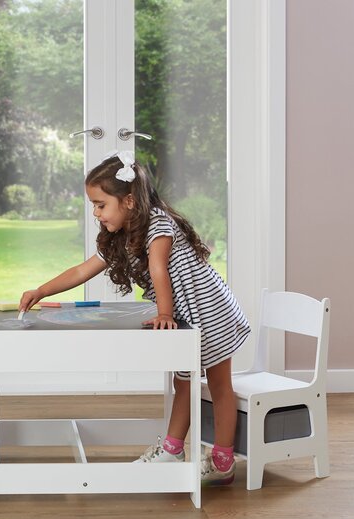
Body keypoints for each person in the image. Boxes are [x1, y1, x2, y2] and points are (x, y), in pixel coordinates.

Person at [19, 150, 250, 485]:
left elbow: (159, 268)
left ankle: (222, 461)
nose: (97, 214)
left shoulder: (158, 223)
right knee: (182, 382)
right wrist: (41, 290)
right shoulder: (121, 235)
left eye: (101, 205)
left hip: (209, 311)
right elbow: (84, 269)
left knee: (218, 386)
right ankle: (172, 451)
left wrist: (165, 313)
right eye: (94, 206)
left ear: (128, 201)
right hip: (186, 316)